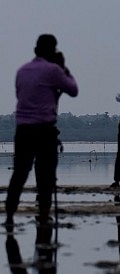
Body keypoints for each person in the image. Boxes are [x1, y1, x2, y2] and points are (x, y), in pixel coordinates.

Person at [5, 34, 78, 226]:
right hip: (44, 130)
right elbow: (73, 90)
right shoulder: (54, 70)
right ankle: (44, 216)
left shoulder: (22, 70)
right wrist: (64, 70)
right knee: (45, 175)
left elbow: (20, 94)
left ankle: (10, 216)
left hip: (23, 130)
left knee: (19, 173)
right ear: (52, 51)